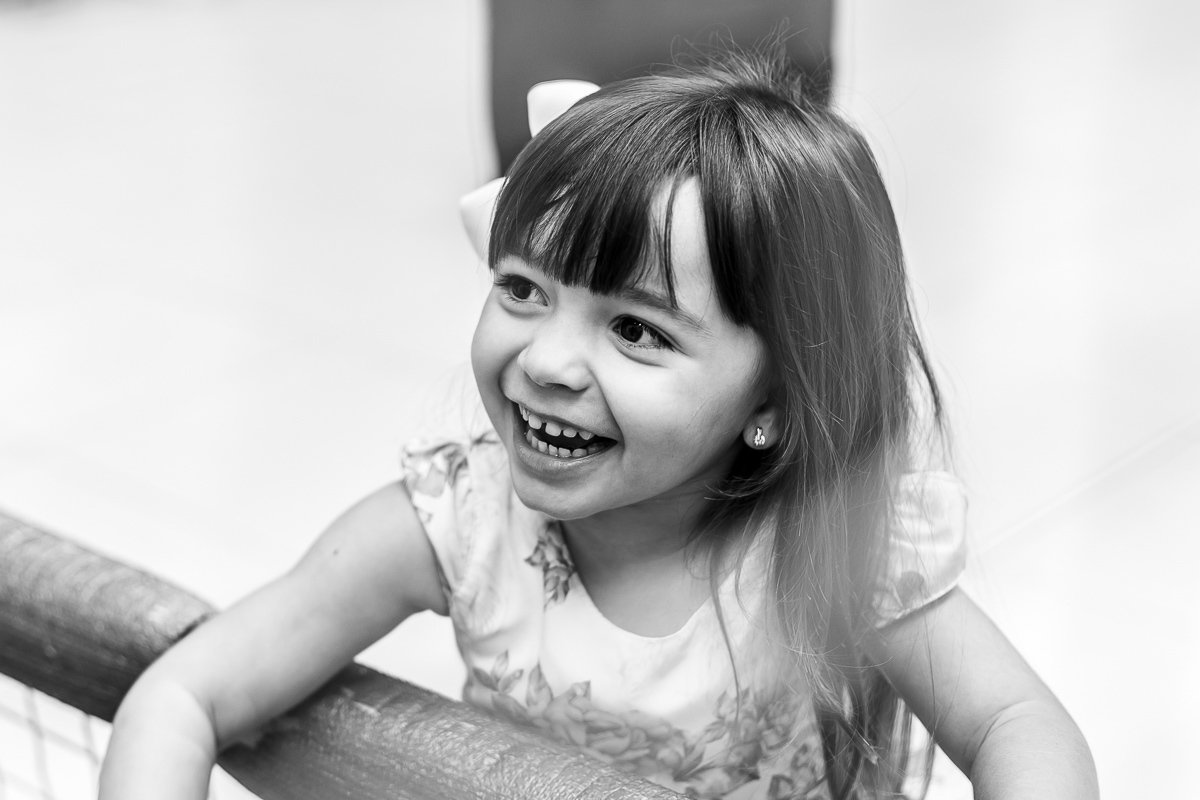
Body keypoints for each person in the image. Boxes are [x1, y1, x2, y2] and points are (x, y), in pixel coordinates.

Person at [99, 50, 1098, 800]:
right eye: (523, 288)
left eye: (635, 328)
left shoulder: (831, 543)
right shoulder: (463, 522)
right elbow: (184, 694)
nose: (545, 360)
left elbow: (1019, 723)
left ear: (776, 401)